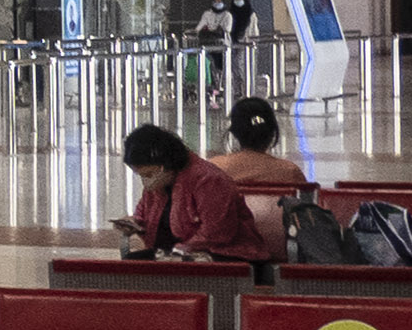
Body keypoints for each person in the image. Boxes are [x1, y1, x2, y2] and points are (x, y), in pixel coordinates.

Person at [115, 123, 275, 262]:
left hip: (226, 255)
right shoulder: (158, 184)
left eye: (149, 174)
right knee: (130, 268)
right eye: (141, 175)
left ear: (164, 164)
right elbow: (143, 214)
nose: (145, 181)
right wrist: (135, 223)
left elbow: (217, 231)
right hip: (176, 254)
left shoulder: (208, 180)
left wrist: (182, 249)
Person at [207, 96, 309, 221]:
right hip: (276, 239)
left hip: (229, 239)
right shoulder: (290, 172)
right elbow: (307, 216)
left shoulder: (213, 169)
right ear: (272, 133)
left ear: (234, 133)